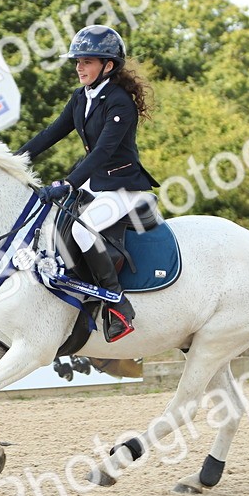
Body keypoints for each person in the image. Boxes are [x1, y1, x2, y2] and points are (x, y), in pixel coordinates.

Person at [18, 25, 160, 342]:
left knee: (83, 229)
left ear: (108, 65)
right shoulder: (81, 97)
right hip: (95, 182)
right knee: (52, 222)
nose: (79, 67)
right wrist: (14, 161)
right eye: (77, 61)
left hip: (123, 185)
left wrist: (68, 184)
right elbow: (50, 134)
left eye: (87, 61)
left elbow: (103, 151)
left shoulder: (119, 101)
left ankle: (117, 303)